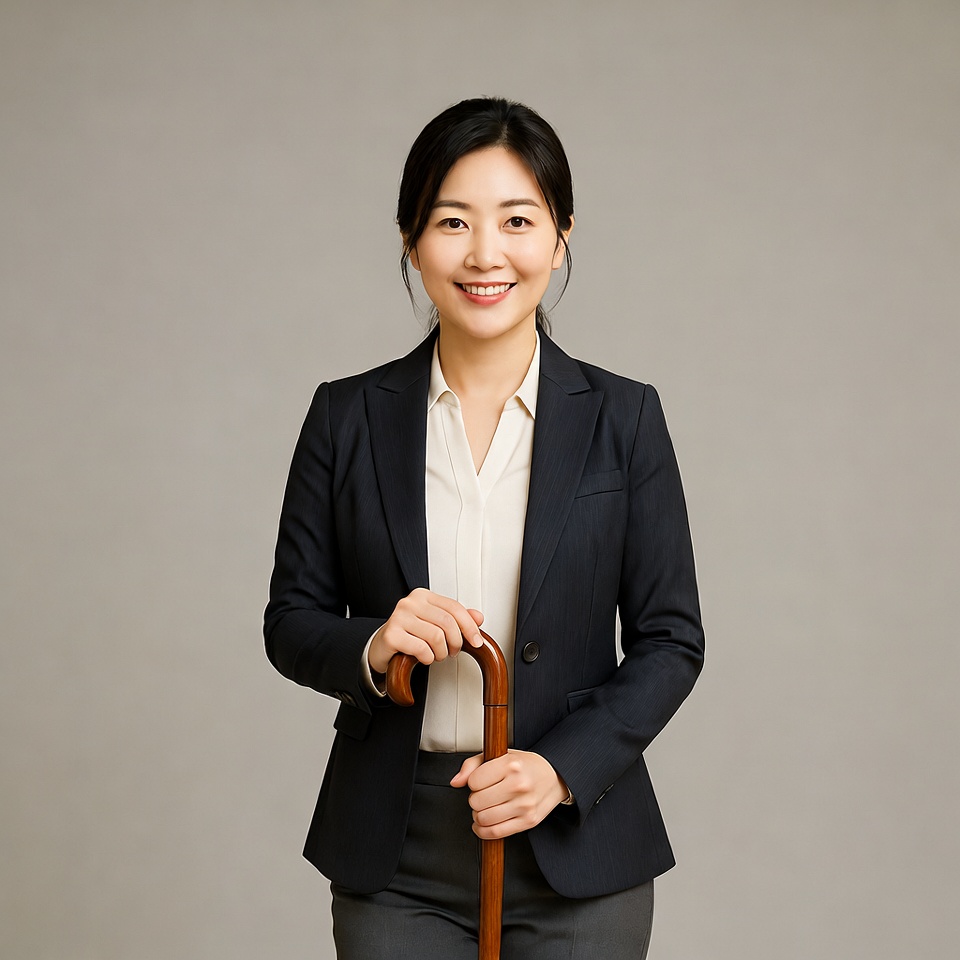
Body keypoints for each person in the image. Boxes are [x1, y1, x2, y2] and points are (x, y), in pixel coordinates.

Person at [264, 97, 704, 959]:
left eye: (517, 220)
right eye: (453, 221)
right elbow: (291, 622)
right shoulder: (345, 417)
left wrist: (561, 769)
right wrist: (376, 645)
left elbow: (671, 640)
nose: (485, 254)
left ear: (561, 236)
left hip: (578, 837)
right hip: (396, 847)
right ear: (410, 238)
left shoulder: (625, 418)